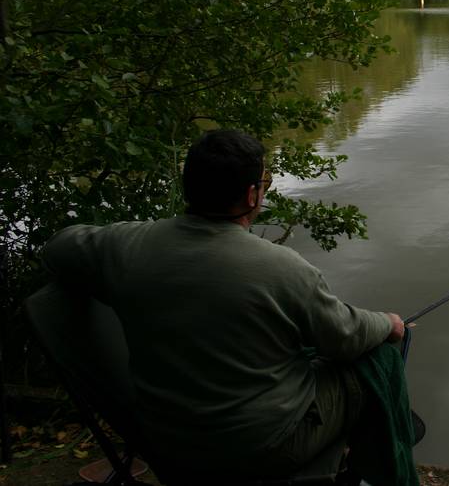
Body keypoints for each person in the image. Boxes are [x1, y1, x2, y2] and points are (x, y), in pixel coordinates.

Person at [41, 129, 415, 483]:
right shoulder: (282, 267)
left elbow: (57, 249)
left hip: (166, 439)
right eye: (264, 184)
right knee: (379, 359)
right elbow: (344, 338)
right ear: (252, 195)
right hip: (264, 446)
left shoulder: (128, 246)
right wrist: (388, 324)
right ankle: (379, 471)